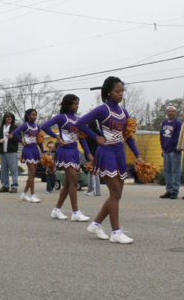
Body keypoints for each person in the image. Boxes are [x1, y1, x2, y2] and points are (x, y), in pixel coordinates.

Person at [77, 76, 144, 244]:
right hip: (106, 154)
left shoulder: (124, 112)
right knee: (114, 193)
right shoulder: (103, 110)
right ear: (109, 92)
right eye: (117, 91)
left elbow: (128, 137)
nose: (121, 94)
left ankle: (96, 224)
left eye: (122, 91)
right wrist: (96, 137)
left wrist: (138, 156)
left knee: (117, 194)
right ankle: (116, 232)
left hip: (119, 153)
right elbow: (80, 123)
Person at [41, 94, 94, 222]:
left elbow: (82, 138)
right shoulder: (61, 117)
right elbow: (45, 126)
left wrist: (89, 155)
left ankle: (56, 210)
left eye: (78, 104)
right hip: (64, 152)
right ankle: (75, 212)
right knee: (74, 179)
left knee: (68, 183)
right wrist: (57, 137)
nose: (77, 106)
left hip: (74, 152)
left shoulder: (78, 120)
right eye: (75, 104)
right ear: (68, 105)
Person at [11, 109, 44, 203]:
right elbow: (14, 133)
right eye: (33, 115)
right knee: (32, 173)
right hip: (28, 149)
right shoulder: (25, 125)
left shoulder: (37, 126)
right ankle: (32, 195)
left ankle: (24, 193)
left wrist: (43, 152)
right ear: (28, 116)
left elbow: (40, 140)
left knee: (32, 174)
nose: (35, 116)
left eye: (36, 115)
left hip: (35, 150)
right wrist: (22, 141)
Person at [0, 112, 19, 194]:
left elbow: (19, 138)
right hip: (2, 152)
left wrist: (13, 137)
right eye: (7, 117)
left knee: (13, 170)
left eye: (11, 117)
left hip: (12, 152)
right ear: (4, 118)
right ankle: (5, 186)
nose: (9, 118)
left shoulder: (15, 128)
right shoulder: (0, 128)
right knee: (4, 170)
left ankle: (14, 186)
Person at [84, 120, 102, 197]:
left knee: (94, 173)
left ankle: (95, 191)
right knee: (91, 172)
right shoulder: (99, 132)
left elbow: (86, 143)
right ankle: (90, 189)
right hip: (97, 154)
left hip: (92, 154)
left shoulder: (90, 134)